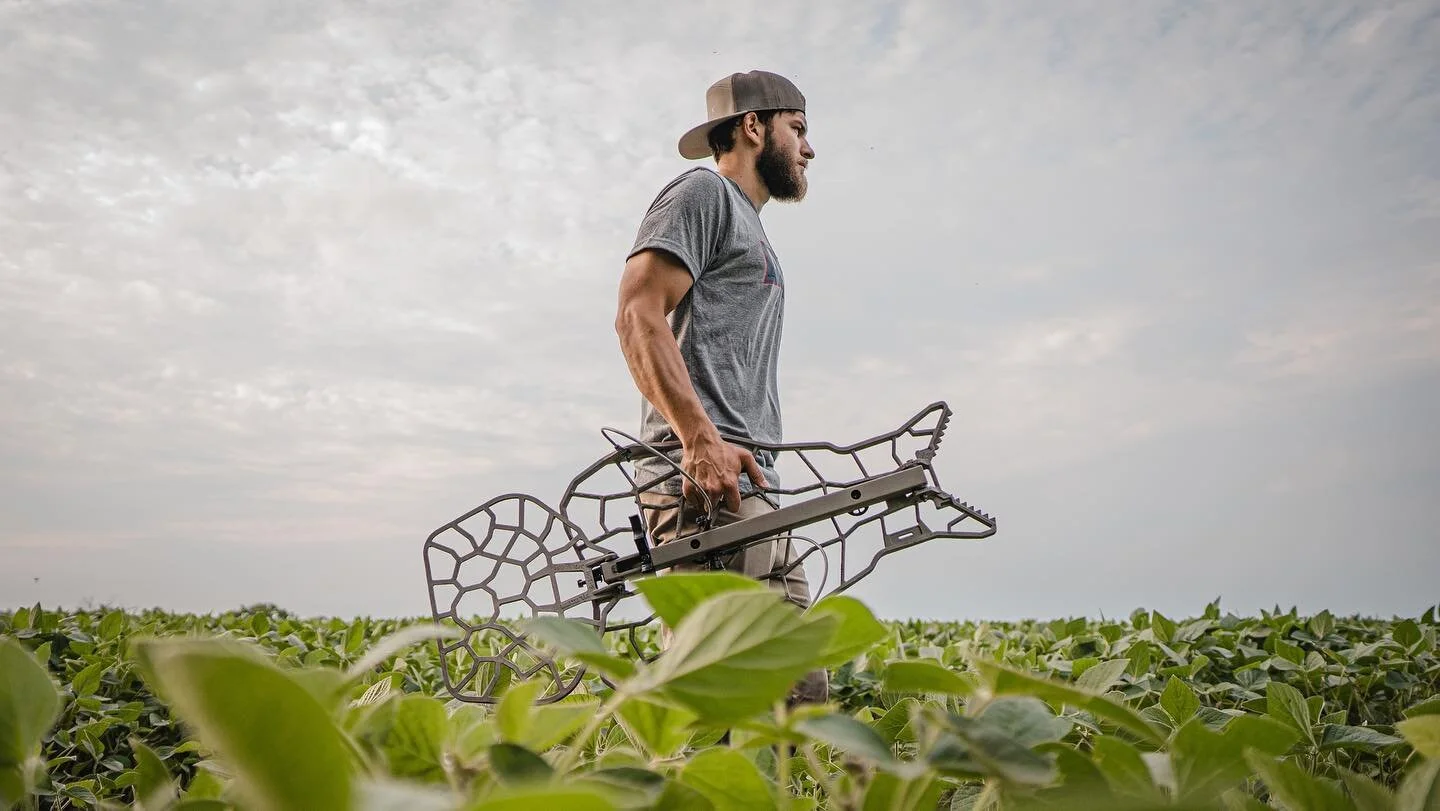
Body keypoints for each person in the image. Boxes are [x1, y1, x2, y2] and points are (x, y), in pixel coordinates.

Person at [613, 69, 827, 706]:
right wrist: (699, 440)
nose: (809, 149)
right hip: (708, 482)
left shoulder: (752, 226)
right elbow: (637, 314)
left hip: (756, 483)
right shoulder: (703, 194)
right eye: (799, 129)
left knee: (799, 697)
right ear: (754, 127)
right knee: (712, 698)